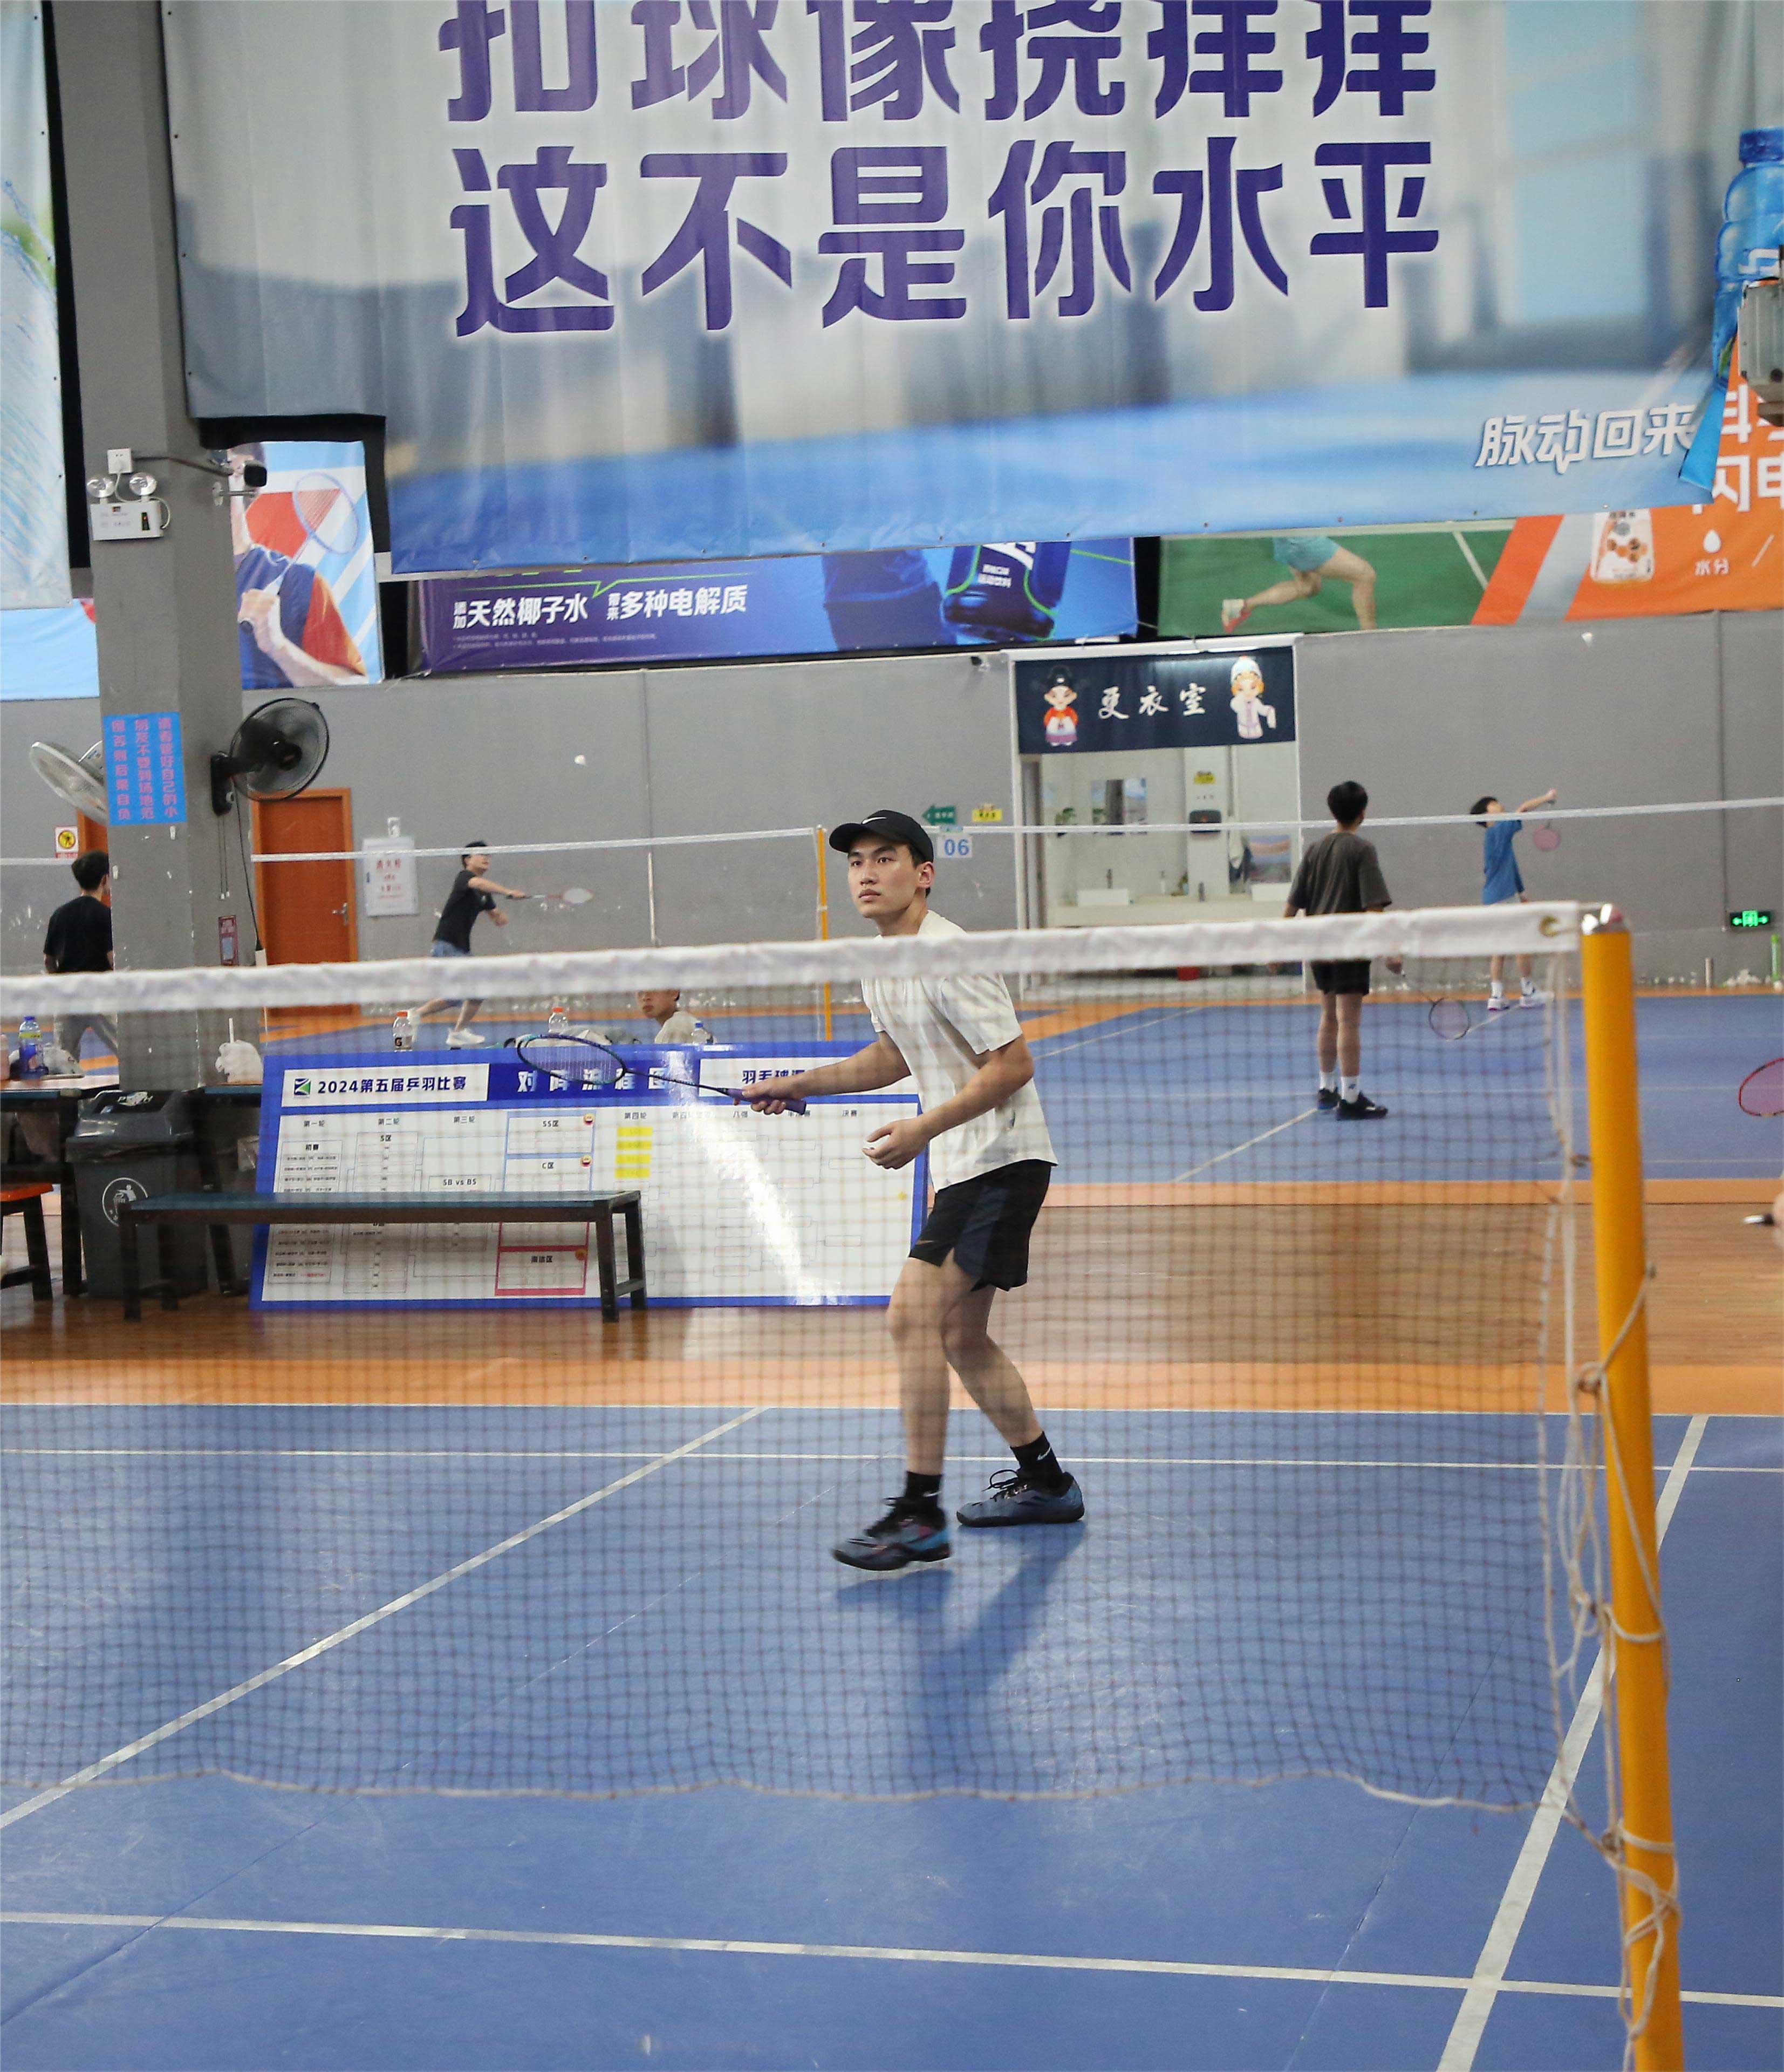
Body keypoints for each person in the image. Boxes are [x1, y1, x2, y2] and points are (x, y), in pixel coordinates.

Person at [744, 808, 1082, 1572]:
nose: (866, 874)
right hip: (968, 1165)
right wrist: (798, 1084)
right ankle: (1046, 1483)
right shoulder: (883, 959)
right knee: (958, 1336)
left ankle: (919, 1513)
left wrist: (923, 1129)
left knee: (909, 1318)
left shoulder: (948, 954)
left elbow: (1013, 1064)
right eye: (856, 862)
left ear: (922, 874)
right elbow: (891, 1057)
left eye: (884, 858)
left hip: (999, 1161)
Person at [1284, 782, 1399, 1120]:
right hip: (1349, 947)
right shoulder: (1362, 850)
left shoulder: (1314, 850)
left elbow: (1292, 903)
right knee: (1348, 1020)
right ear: (1363, 813)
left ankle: (1326, 1089)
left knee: (1328, 1017)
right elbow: (1374, 907)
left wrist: (1276, 944)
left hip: (1318, 945)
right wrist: (1390, 950)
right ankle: (1350, 1098)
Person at [230, 446, 367, 690]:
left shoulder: (299, 583)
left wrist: (279, 647)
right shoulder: (160, 583)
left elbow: (354, 688)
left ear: (245, 470)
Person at [416, 845, 530, 1047]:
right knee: (470, 991)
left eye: (489, 855)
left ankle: (431, 1022)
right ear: (468, 860)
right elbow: (479, 883)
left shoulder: (484, 894)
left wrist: (506, 910)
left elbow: (498, 919)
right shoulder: (465, 878)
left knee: (470, 993)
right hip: (447, 944)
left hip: (461, 948)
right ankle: (429, 1021)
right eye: (482, 854)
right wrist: (508, 891)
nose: (487, 858)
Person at [1470, 789, 1556, 1012]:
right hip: (1504, 897)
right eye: (1494, 803)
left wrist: (1522, 893)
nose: (1500, 805)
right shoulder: (1499, 830)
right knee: (1522, 944)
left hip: (1493, 898)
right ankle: (1529, 991)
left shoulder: (1495, 839)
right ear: (1487, 815)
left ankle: (1496, 995)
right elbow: (1523, 808)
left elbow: (1510, 867)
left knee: (1499, 949)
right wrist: (1547, 798)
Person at [42, 850, 117, 1068]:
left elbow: (48, 960)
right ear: (105, 879)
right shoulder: (106, 915)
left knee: (63, 1060)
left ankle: (66, 1088)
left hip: (67, 996)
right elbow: (112, 959)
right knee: (128, 1050)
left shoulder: (59, 914)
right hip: (99, 995)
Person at [1222, 536, 1377, 633]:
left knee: (1308, 587)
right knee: (1364, 575)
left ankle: (1241, 607)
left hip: (1288, 539)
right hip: (1302, 541)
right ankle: (1370, 636)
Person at [637, 989, 711, 1045]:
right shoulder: (685, 1022)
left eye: (654, 989)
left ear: (674, 992)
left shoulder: (676, 1027)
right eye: (640, 992)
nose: (645, 997)